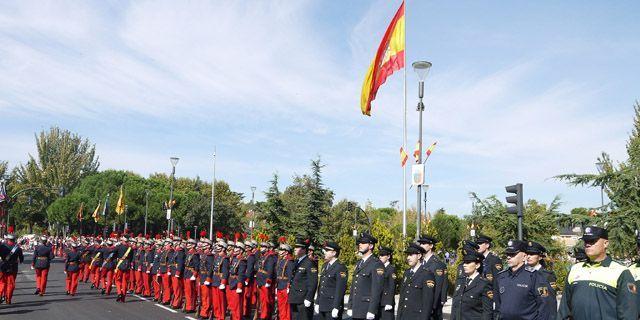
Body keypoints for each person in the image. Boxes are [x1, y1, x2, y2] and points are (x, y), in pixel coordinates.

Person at [558, 226, 638, 320]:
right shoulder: (575, 269)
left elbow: (629, 312)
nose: (587, 244)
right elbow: (564, 309)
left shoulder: (621, 272)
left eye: (592, 241)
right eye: (586, 241)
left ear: (605, 243)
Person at [494, 240, 554, 320]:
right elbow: (498, 306)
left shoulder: (535, 276)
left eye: (513, 254)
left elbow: (545, 306)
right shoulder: (501, 276)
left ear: (524, 257)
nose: (508, 257)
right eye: (507, 254)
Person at [347, 232, 384, 320]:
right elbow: (354, 287)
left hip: (367, 309)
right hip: (357, 308)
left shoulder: (376, 264)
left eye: (363, 243)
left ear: (371, 246)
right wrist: (350, 306)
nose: (360, 244)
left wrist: (372, 310)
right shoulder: (359, 263)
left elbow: (377, 289)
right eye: (359, 242)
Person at [396, 243, 435, 320]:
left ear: (419, 256)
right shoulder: (407, 273)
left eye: (411, 255)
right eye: (407, 255)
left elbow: (427, 302)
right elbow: (402, 299)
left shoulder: (427, 274)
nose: (408, 257)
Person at [450, 251, 492, 320]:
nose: (464, 265)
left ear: (477, 265)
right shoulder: (461, 281)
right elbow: (455, 306)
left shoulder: (484, 284)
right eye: (464, 262)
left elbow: (487, 312)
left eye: (468, 262)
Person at [417, 235, 448, 320]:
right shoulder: (420, 262)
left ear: (431, 246)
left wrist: (431, 307)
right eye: (420, 244)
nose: (421, 246)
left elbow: (438, 288)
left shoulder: (437, 264)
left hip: (431, 308)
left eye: (424, 243)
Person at [315, 241, 347, 320]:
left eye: (327, 250)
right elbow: (321, 285)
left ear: (334, 253)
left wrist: (336, 307)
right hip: (323, 305)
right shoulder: (325, 266)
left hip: (332, 306)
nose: (324, 252)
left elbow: (340, 289)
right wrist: (317, 302)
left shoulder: (340, 267)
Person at [525, 241, 557, 319]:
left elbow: (548, 304)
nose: (528, 256)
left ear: (540, 257)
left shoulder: (547, 276)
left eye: (532, 254)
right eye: (527, 254)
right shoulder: (522, 273)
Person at [288, 238, 318, 320]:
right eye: (295, 247)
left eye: (298, 247)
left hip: (303, 299)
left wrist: (309, 298)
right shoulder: (297, 261)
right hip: (294, 297)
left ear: (304, 250)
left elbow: (313, 282)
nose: (295, 249)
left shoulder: (309, 263)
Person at [256, 239, 277, 320]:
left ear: (267, 248)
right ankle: (265, 315)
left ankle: (264, 316)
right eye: (261, 246)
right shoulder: (262, 256)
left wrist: (268, 280)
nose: (261, 248)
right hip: (260, 280)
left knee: (266, 300)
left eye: (263, 247)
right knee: (262, 299)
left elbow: (270, 270)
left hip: (265, 280)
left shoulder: (270, 257)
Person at [0, 234, 23, 304]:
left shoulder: (2, 247)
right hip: (13, 268)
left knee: (2, 283)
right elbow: (21, 259)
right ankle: (8, 299)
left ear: (7, 239)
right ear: (14, 240)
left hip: (2, 266)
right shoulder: (18, 248)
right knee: (10, 284)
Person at [227, 240, 247, 320]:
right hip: (231, 282)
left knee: (237, 304)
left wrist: (239, 286)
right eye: (234, 247)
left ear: (241, 250)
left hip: (236, 283)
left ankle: (237, 318)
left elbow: (241, 274)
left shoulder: (242, 261)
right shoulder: (234, 258)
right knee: (232, 303)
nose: (234, 249)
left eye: (237, 248)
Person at [276, 239, 294, 320]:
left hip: (285, 286)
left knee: (286, 306)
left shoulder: (289, 261)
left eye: (282, 250)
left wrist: (288, 286)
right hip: (280, 284)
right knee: (281, 305)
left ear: (286, 252)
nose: (280, 251)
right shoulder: (281, 260)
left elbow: (290, 275)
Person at [378, 246, 396, 320]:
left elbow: (392, 286)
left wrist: (389, 302)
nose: (380, 257)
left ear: (388, 256)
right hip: (379, 301)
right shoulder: (379, 268)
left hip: (386, 302)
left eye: (382, 255)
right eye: (379, 255)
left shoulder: (391, 269)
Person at [114, 235, 134, 302]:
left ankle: (119, 292)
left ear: (122, 240)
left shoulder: (119, 247)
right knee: (125, 281)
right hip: (127, 265)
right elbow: (131, 258)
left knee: (117, 280)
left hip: (120, 264)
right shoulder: (130, 248)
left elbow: (114, 254)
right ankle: (123, 297)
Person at [184, 237, 200, 313]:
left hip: (191, 274)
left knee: (190, 292)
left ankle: (190, 307)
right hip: (187, 273)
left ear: (193, 245)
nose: (188, 244)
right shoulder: (189, 253)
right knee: (187, 291)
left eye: (190, 243)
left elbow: (197, 266)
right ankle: (188, 306)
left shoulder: (195, 254)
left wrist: (194, 275)